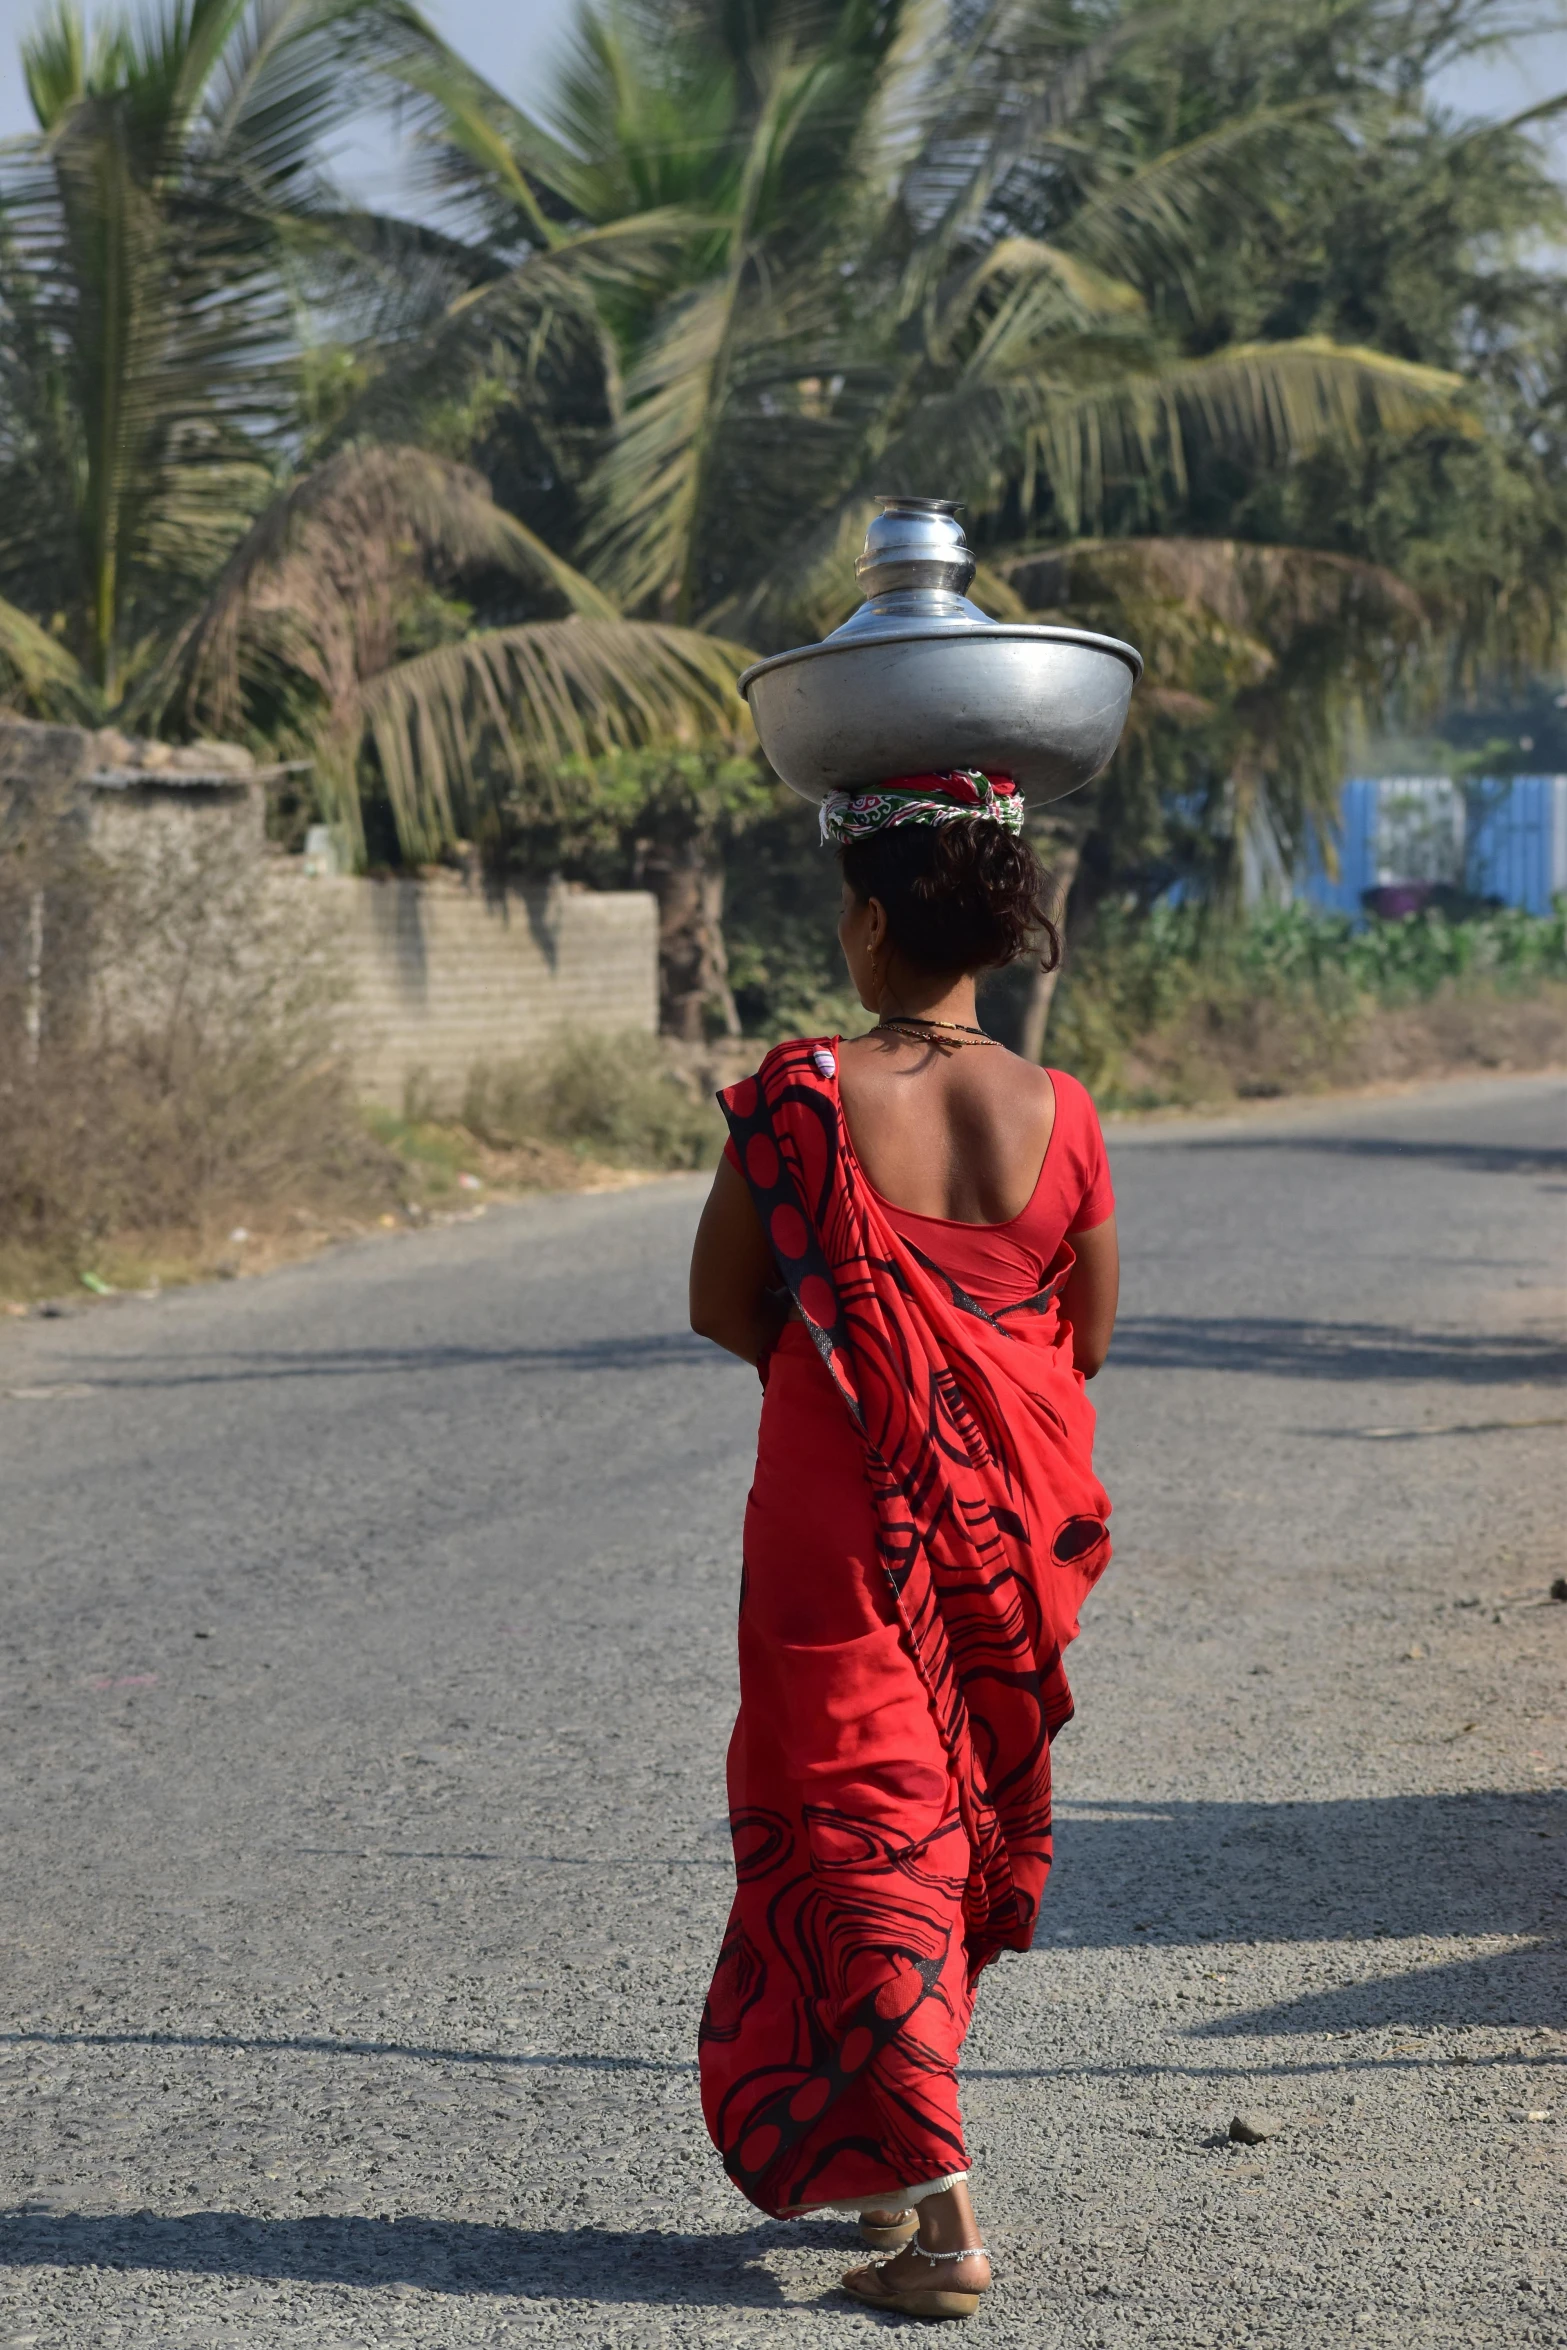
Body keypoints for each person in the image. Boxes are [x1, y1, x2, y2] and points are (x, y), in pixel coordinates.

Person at [687, 768, 1120, 2322]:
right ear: (989, 939)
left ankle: (941, 2220)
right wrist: (962, 1419)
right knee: (930, 1818)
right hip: (998, 1530)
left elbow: (719, 1303)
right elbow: (1081, 1333)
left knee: (853, 1814)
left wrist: (851, 1373)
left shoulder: (801, 1092)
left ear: (868, 925)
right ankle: (879, 2152)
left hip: (834, 1509)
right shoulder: (1059, 1112)